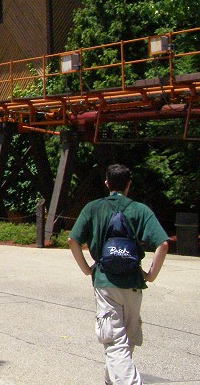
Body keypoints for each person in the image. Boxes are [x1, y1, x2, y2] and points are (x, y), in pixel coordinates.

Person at [68, 164, 169, 385]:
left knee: (115, 342)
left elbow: (72, 240)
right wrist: (151, 275)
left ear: (107, 183)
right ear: (128, 185)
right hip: (133, 284)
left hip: (105, 283)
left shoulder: (93, 208)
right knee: (125, 342)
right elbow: (163, 244)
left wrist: (87, 269)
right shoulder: (140, 210)